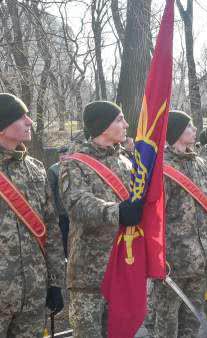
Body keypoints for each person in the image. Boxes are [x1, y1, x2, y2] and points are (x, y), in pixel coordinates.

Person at [59, 101, 143, 337]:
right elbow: (76, 203)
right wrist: (116, 211)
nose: (126, 124)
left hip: (122, 268)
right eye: (119, 119)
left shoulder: (126, 161)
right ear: (103, 126)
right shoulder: (75, 162)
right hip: (89, 274)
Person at [0, 93, 64, 337]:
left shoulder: (35, 168)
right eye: (21, 116)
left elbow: (51, 228)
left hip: (34, 295)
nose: (29, 122)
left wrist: (55, 281)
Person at [151, 111, 207, 337]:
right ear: (177, 132)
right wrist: (158, 258)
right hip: (174, 261)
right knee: (168, 321)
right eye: (189, 126)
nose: (194, 130)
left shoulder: (200, 163)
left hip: (200, 258)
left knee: (193, 319)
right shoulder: (160, 167)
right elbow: (155, 218)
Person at [47, 146, 70, 258]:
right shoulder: (53, 170)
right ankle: (66, 257)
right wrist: (54, 210)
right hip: (62, 212)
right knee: (64, 235)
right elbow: (50, 191)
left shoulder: (75, 167)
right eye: (61, 155)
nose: (63, 156)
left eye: (65, 154)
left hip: (74, 210)